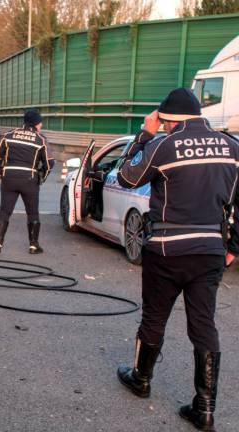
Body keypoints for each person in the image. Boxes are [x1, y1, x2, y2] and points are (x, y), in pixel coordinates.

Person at [115, 88, 239, 430]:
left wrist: (144, 134)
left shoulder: (163, 144)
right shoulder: (232, 147)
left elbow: (126, 176)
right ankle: (205, 408)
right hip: (211, 249)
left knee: (155, 316)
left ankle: (141, 378)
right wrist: (234, 247)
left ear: (168, 120)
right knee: (204, 324)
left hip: (167, 249)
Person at [0, 109, 54, 255]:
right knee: (32, 213)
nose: (41, 126)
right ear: (37, 123)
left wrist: (0, 172)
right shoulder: (41, 140)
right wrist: (41, 177)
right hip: (29, 179)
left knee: (4, 211)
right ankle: (33, 245)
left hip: (9, 177)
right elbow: (49, 163)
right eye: (41, 123)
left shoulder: (9, 135)